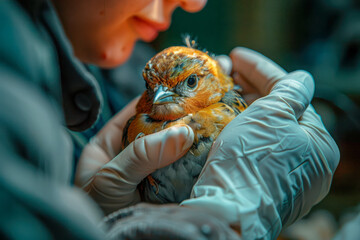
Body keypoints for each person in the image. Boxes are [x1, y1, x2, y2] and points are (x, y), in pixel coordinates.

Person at [0, 0, 339, 239]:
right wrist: (222, 225)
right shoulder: (12, 95)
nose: (194, 3)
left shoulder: (114, 57)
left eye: (191, 83)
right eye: (153, 88)